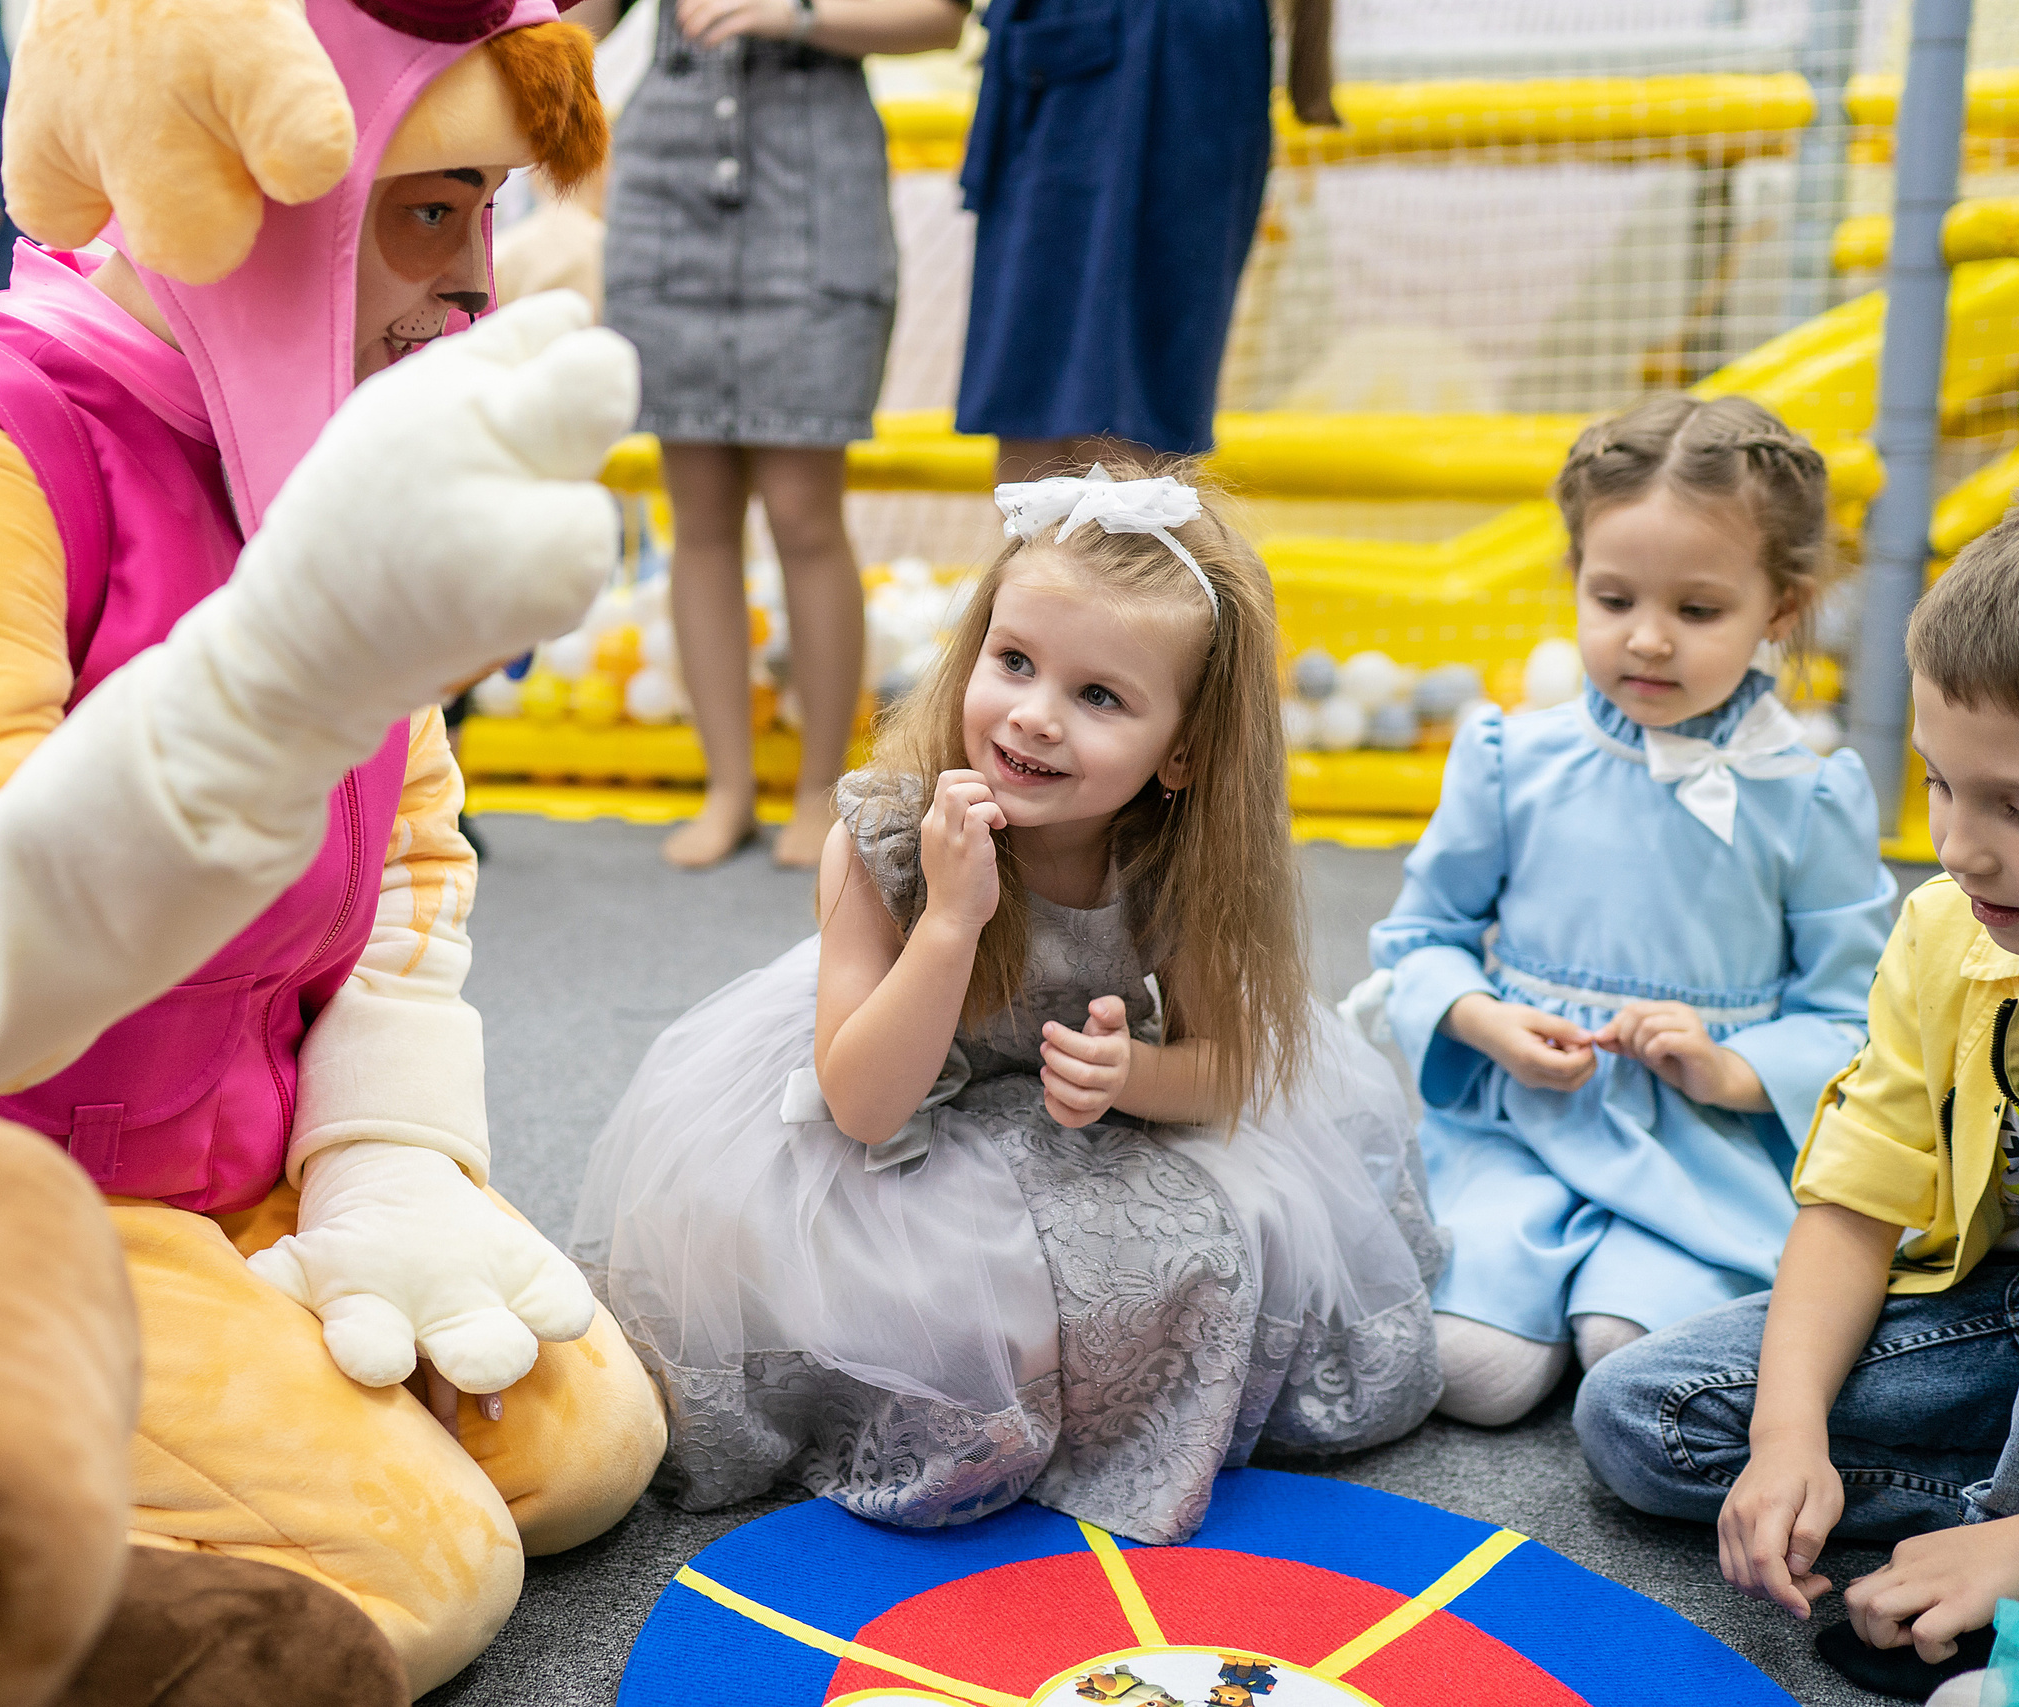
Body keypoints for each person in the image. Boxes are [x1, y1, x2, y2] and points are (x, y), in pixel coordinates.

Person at [0, 0, 668, 1689]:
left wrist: (385, 1158)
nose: (475, 285)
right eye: (428, 206)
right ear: (265, 192)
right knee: (424, 1567)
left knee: (581, 1444)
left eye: (489, 210)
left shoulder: (294, 433)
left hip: (224, 1163)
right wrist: (266, 693)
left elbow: (415, 854)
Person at [573, 457, 1442, 1545]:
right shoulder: (878, 840)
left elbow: (1225, 1073)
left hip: (1075, 1126)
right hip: (894, 1117)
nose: (1033, 716)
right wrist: (948, 921)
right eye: (1014, 661)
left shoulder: (1174, 862)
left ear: (1180, 751)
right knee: (937, 1309)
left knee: (1221, 1244)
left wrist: (1136, 1074)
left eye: (1097, 696)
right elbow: (861, 1109)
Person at [1365, 395, 1897, 1429]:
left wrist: (1730, 1068)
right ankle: (1535, 1282)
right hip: (1523, 1123)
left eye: (1697, 612)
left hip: (1699, 1144)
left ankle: (1620, 1285)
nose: (1646, 641)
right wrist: (1484, 1023)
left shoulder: (1811, 792)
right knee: (1474, 1377)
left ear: (1778, 611)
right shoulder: (1509, 758)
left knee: (1634, 1362)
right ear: (1576, 579)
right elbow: (1419, 939)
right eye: (1612, 599)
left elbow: (1854, 1017)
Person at [1577, 508, 2019, 1703]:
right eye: (1939, 784)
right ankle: (1982, 1517)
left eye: (2017, 810)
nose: (1959, 851)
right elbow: (1855, 1202)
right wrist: (1787, 1438)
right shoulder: (1947, 930)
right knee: (1642, 1418)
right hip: (1999, 1317)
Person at [605, 0, 966, 869]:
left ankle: (817, 790)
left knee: (805, 508)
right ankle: (726, 785)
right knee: (696, 509)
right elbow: (570, 22)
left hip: (814, 190)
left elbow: (940, 20)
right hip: (668, 189)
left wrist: (796, 13)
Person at [957, 0, 1337, 484]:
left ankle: (1133, 558)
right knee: (1033, 435)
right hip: (1062, 57)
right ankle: (1050, 557)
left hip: (1160, 57)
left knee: (1127, 439)